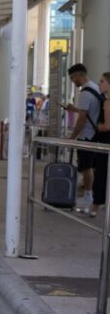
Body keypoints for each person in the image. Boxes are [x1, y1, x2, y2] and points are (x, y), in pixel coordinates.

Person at [66, 63, 102, 208]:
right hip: (96, 134)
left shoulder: (85, 93)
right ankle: (93, 195)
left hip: (86, 135)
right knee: (92, 167)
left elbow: (82, 119)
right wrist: (75, 109)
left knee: (86, 167)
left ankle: (88, 196)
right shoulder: (95, 88)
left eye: (72, 78)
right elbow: (88, 113)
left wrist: (72, 137)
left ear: (79, 75)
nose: (72, 81)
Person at [88, 73, 110, 217]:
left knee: (101, 173)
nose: (99, 83)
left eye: (102, 81)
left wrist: (98, 126)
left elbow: (107, 126)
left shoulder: (108, 103)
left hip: (105, 142)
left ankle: (95, 206)